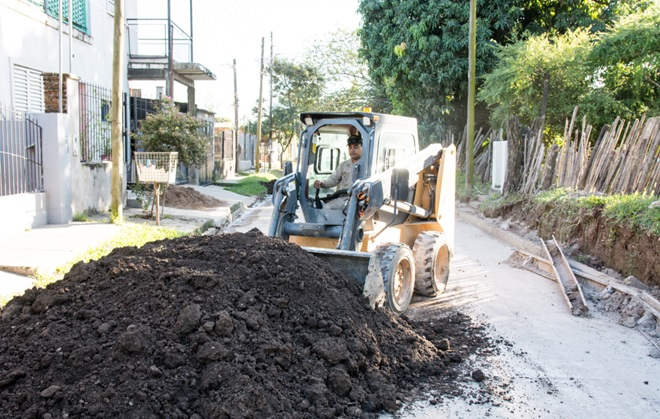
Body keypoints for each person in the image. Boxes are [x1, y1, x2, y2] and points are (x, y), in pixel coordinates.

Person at [313, 134, 363, 209]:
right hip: (345, 198)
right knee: (327, 208)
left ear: (362, 147)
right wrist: (321, 183)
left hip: (361, 200)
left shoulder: (368, 165)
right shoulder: (343, 165)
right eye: (350, 147)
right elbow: (333, 179)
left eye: (355, 147)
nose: (352, 150)